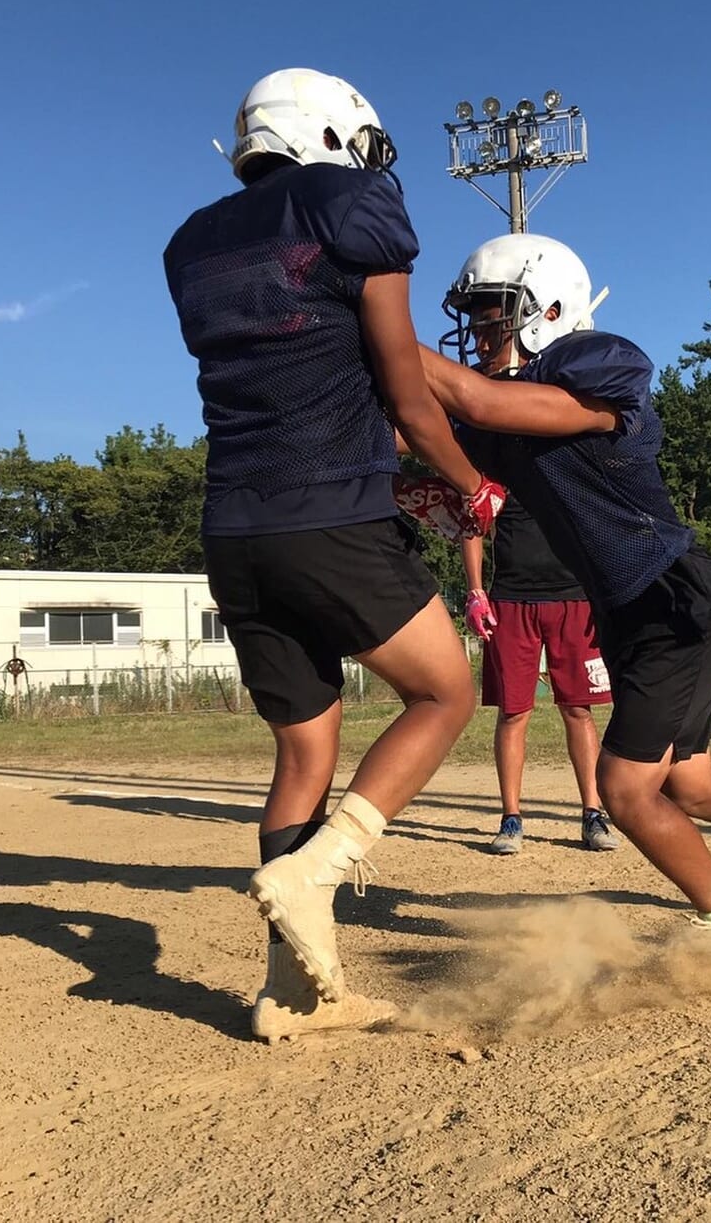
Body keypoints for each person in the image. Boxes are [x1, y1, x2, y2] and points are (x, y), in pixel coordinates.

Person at [162, 68, 504, 1042]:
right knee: (445, 694)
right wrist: (471, 485)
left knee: (304, 749)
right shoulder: (350, 200)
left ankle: (293, 994)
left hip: (235, 527)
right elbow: (404, 391)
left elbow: (301, 361)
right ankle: (317, 870)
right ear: (334, 133)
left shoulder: (193, 241)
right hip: (330, 516)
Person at [422, 233, 711, 938]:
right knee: (690, 783)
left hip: (673, 599)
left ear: (546, 310)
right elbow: (429, 422)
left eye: (492, 311)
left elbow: (475, 402)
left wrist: (376, 334)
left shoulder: (598, 374)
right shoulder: (509, 409)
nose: (478, 329)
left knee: (624, 785)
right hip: (633, 610)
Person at [462, 493, 619, 855]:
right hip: (511, 602)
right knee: (513, 713)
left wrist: (608, 589)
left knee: (578, 710)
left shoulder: (567, 464)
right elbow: (471, 525)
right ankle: (511, 819)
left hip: (575, 599)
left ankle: (593, 814)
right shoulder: (494, 465)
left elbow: (602, 524)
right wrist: (475, 591)